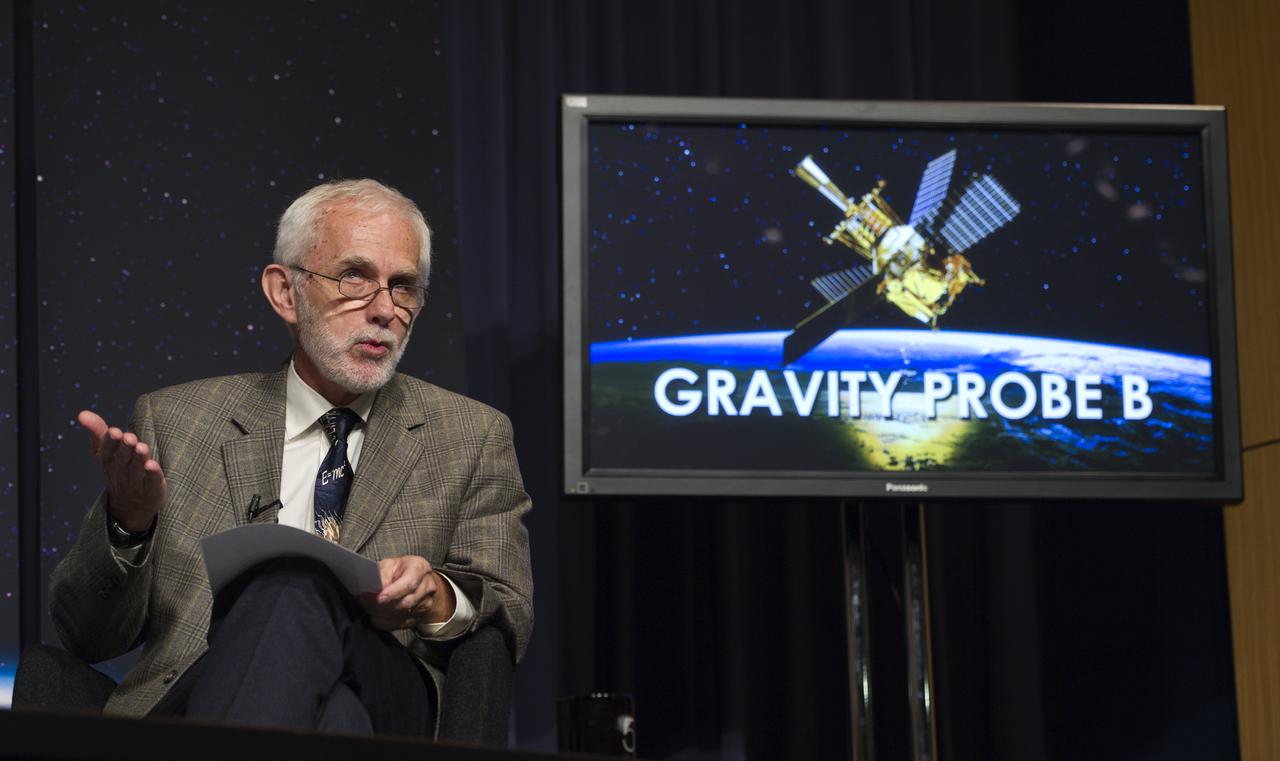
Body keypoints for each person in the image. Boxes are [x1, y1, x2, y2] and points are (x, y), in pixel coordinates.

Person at [48, 179, 533, 737]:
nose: (383, 310)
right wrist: (129, 523)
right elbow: (86, 636)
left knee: (294, 588)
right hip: (200, 700)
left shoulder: (471, 435)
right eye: (355, 277)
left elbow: (507, 610)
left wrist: (435, 598)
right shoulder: (177, 422)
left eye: (403, 287)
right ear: (285, 293)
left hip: (391, 693)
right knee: (333, 715)